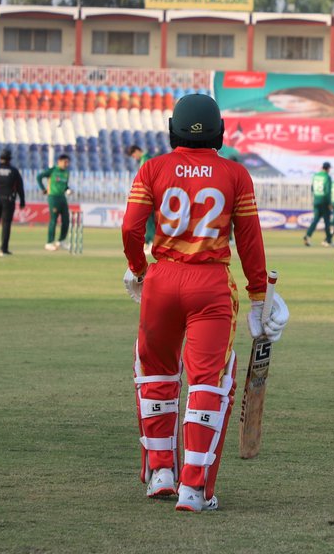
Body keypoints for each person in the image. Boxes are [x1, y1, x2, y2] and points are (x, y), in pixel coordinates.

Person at [121, 93, 289, 512]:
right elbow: (250, 241)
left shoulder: (152, 167)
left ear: (173, 128)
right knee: (208, 382)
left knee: (155, 373)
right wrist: (258, 298)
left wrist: (138, 267)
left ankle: (161, 472)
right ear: (219, 130)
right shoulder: (235, 174)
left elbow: (130, 226)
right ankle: (194, 490)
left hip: (161, 279)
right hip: (211, 284)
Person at [0, 149, 25, 257]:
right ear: (10, 159)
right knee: (6, 224)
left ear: (0, 158)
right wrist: (22, 201)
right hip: (8, 200)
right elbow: (20, 187)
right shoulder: (14, 171)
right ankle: (3, 250)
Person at [37, 154, 72, 251]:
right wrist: (43, 189)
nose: (66, 164)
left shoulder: (66, 173)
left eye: (68, 162)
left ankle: (61, 241)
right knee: (54, 220)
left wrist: (68, 189)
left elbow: (65, 185)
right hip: (53, 197)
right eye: (65, 162)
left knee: (66, 220)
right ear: (59, 161)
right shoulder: (52, 170)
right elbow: (39, 177)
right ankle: (49, 242)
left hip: (62, 197)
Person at [127, 145, 157, 254]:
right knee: (149, 220)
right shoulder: (146, 158)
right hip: (150, 193)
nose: (134, 157)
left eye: (134, 155)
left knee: (149, 220)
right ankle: (149, 243)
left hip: (148, 194)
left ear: (137, 151)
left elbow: (146, 179)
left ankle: (151, 243)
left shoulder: (146, 159)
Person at [266, 87, 334, 118]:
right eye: (277, 102)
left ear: (322, 100)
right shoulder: (276, 117)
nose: (286, 106)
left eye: (297, 101)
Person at [303, 161, 333, 247]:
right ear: (328, 169)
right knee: (327, 221)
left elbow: (312, 188)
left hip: (316, 200)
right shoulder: (327, 177)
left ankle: (307, 236)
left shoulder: (315, 176)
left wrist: (317, 197)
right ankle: (328, 240)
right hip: (324, 201)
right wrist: (329, 203)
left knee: (315, 220)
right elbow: (327, 192)